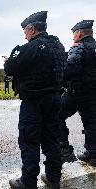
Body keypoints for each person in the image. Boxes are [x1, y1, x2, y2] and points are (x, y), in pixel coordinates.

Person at [4, 11, 66, 189]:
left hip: (34, 101)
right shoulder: (58, 45)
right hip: (54, 98)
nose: (24, 34)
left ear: (32, 29)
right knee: (52, 138)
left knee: (29, 140)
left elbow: (11, 68)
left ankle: (28, 181)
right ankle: (54, 177)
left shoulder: (32, 47)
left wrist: (9, 60)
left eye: (25, 30)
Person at [60, 20, 96, 166]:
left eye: (74, 34)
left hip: (77, 92)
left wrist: (62, 83)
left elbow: (70, 69)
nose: (73, 37)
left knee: (55, 115)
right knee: (91, 122)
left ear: (79, 33)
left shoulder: (78, 47)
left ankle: (65, 150)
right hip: (93, 93)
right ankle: (92, 155)